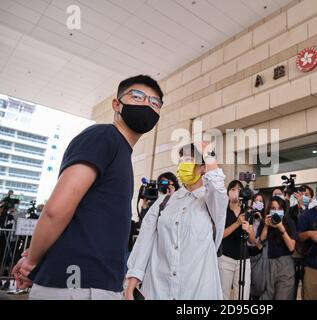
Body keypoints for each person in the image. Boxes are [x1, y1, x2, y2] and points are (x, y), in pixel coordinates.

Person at [12, 75, 163, 300]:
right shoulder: (103, 136)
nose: (147, 104)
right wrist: (32, 262)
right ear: (116, 104)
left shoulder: (120, 151)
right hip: (78, 285)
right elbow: (56, 210)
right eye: (137, 96)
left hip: (95, 285)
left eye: (155, 102)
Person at [125, 142, 228, 300]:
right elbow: (144, 241)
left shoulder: (212, 202)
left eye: (188, 160)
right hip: (159, 289)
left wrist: (209, 155)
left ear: (203, 167)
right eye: (181, 160)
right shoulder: (164, 202)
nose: (182, 165)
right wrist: (131, 282)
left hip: (196, 290)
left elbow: (218, 188)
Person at [218, 180, 256, 300]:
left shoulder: (247, 211)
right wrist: (237, 223)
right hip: (225, 258)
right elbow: (219, 235)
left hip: (244, 259)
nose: (236, 192)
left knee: (242, 295)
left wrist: (249, 230)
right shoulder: (222, 211)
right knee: (223, 294)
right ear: (228, 193)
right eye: (233, 189)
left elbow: (252, 241)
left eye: (239, 190)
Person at [257, 196, 297, 300]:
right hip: (267, 264)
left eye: (279, 209)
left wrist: (281, 228)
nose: (276, 211)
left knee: (282, 297)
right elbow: (260, 243)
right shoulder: (265, 222)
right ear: (269, 210)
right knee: (266, 296)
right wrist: (266, 226)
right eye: (273, 208)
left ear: (284, 210)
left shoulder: (289, 223)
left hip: (285, 265)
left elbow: (292, 247)